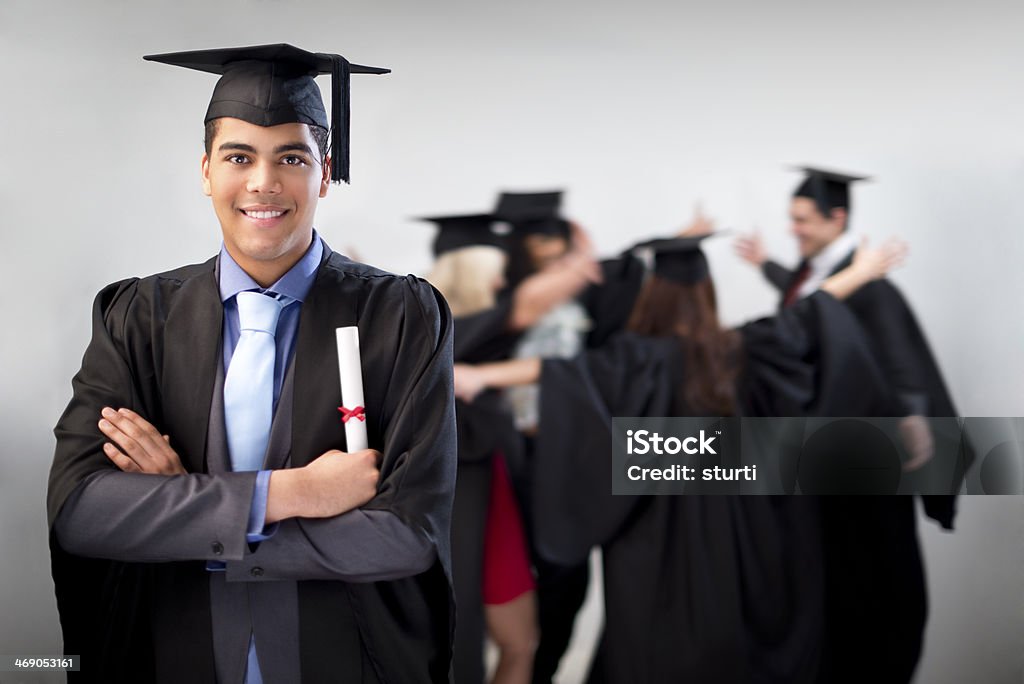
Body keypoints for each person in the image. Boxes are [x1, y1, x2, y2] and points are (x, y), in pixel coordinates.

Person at [47, 44, 456, 683]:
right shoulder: (139, 317)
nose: (263, 182)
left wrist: (189, 516)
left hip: (345, 654)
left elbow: (406, 535)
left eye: (290, 157)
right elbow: (83, 512)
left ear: (325, 171)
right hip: (176, 651)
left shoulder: (400, 315)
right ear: (206, 170)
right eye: (239, 157)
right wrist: (290, 494)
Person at [453, 233, 907, 682]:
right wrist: (861, 272)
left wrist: (481, 375)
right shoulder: (741, 349)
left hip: (654, 533)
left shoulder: (636, 358)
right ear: (706, 293)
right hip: (739, 529)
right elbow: (805, 316)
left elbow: (561, 373)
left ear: (652, 298)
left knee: (652, 647)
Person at [735, 166, 961, 682]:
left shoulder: (871, 288)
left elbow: (898, 351)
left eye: (803, 220)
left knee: (871, 573)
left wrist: (912, 415)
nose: (794, 229)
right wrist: (763, 264)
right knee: (827, 572)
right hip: (820, 453)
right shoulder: (809, 275)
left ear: (838, 218)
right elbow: (804, 310)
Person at [422, 213, 538, 684]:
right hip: (466, 511)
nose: (500, 279)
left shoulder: (479, 338)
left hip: (496, 500)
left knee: (520, 640)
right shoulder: (434, 335)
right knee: (498, 641)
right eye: (493, 267)